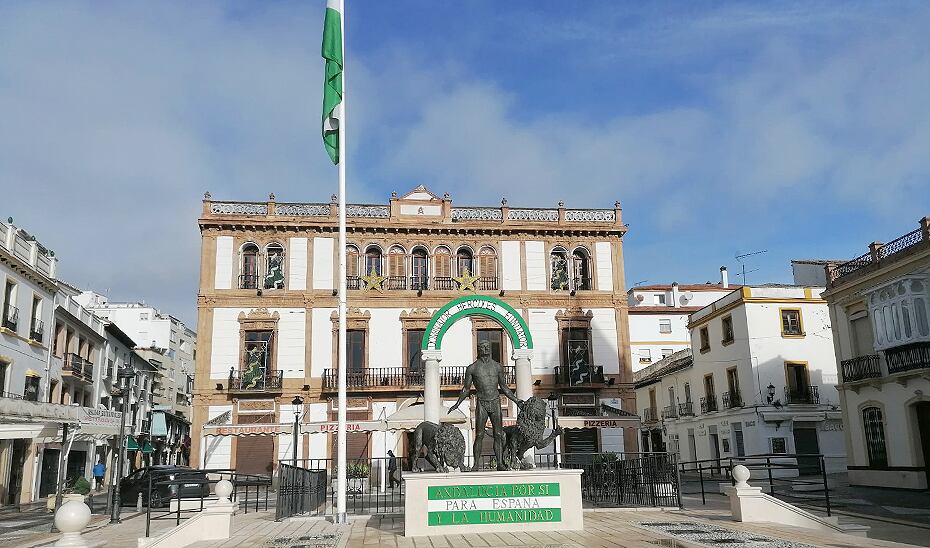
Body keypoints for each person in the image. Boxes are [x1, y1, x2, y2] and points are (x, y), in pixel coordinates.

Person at [449, 340, 524, 471]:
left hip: (495, 401)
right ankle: (476, 464)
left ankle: (500, 463)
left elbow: (504, 387)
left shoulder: (497, 367)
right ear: (479, 349)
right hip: (482, 402)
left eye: (488, 347)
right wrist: (457, 403)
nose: (486, 349)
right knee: (479, 435)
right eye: (483, 347)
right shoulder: (472, 368)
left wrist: (516, 400)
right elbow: (466, 389)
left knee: (498, 434)